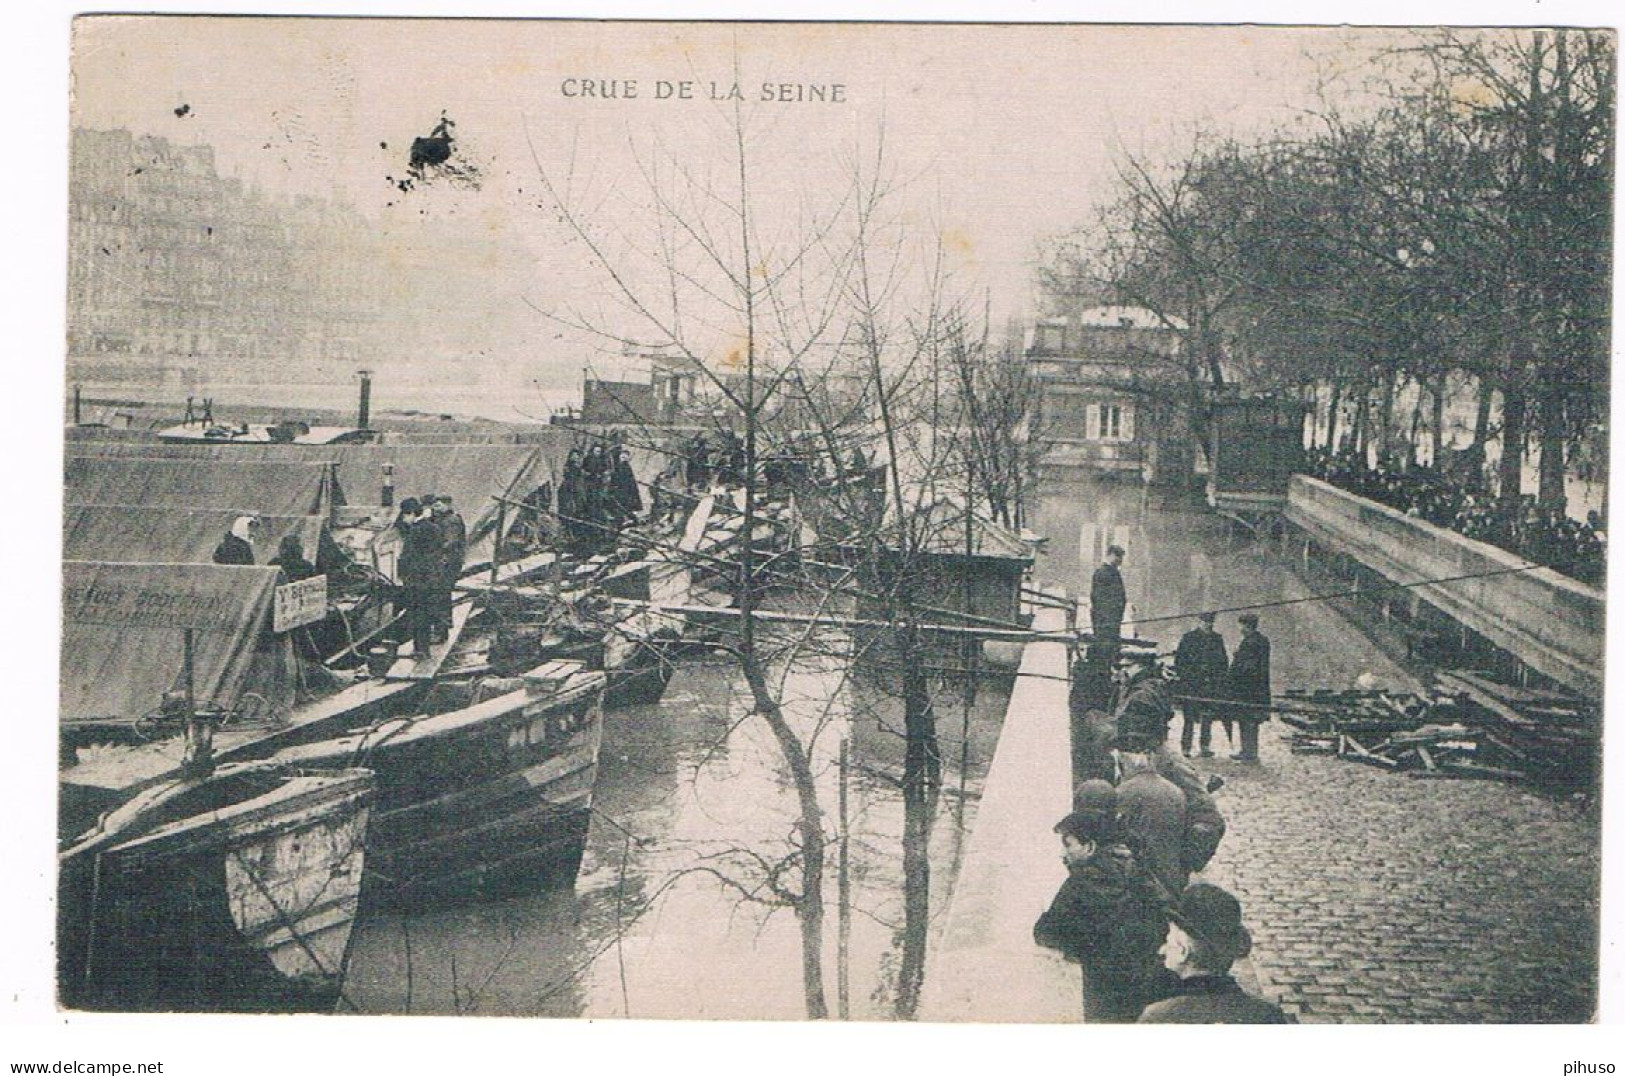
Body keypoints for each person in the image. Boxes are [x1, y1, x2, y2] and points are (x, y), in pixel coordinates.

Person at [1033, 789, 1176, 1023]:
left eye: (1068, 845)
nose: (1063, 853)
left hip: (1103, 990)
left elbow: (1046, 933)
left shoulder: (1080, 884)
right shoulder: (1139, 870)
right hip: (1145, 986)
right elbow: (1164, 912)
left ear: (1090, 846)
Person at [1138, 883, 1293, 1024]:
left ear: (1183, 949)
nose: (1162, 950)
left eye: (1168, 939)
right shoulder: (1268, 1015)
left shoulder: (1158, 1017)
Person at [1113, 747, 1188, 898]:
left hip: (1141, 874)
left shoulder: (1123, 791)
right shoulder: (1175, 790)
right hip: (1171, 871)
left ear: (1124, 764)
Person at [1174, 612, 1231, 757]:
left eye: (1210, 622)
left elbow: (1223, 661)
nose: (1208, 625)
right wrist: (1188, 676)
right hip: (1192, 684)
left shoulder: (1217, 639)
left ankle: (1205, 746)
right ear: (1199, 622)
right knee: (1189, 717)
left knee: (1207, 717)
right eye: (1205, 622)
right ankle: (1186, 747)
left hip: (1209, 685)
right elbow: (1179, 661)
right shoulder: (1189, 638)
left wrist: (1218, 679)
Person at [395, 497, 443, 659]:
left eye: (404, 515)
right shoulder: (435, 528)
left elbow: (406, 556)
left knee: (416, 615)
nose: (403, 519)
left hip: (417, 579)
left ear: (411, 514)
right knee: (427, 613)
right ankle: (424, 648)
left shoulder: (415, 530)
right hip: (432, 578)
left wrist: (402, 576)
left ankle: (420, 650)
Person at [1228, 612, 1272, 763]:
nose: (1239, 628)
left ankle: (1250, 754)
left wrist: (1236, 658)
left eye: (1241, 625)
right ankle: (1247, 750)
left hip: (1248, 689)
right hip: (1258, 688)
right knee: (1248, 720)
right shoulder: (1262, 640)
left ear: (1247, 626)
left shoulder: (1250, 642)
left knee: (1247, 720)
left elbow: (1247, 668)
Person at [432, 495, 467, 642]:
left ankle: (441, 632)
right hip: (447, 561)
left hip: (447, 563)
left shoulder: (451, 521)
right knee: (442, 595)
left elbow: (450, 542)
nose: (435, 509)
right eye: (435, 506)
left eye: (439, 506)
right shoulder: (444, 519)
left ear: (448, 505)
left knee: (441, 595)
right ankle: (442, 629)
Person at [1090, 545, 1127, 656]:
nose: (1120, 560)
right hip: (1105, 618)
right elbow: (1098, 598)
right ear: (1110, 555)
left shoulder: (1114, 572)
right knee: (1105, 645)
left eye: (1121, 557)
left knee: (1110, 645)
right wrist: (1108, 616)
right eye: (1117, 556)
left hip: (1113, 617)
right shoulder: (1102, 573)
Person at [609, 447, 643, 529]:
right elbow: (614, 479)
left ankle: (626, 523)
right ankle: (622, 523)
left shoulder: (626, 467)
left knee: (627, 508)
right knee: (621, 508)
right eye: (622, 456)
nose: (623, 458)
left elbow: (630, 482)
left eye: (625, 457)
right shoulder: (617, 467)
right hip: (620, 492)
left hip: (627, 492)